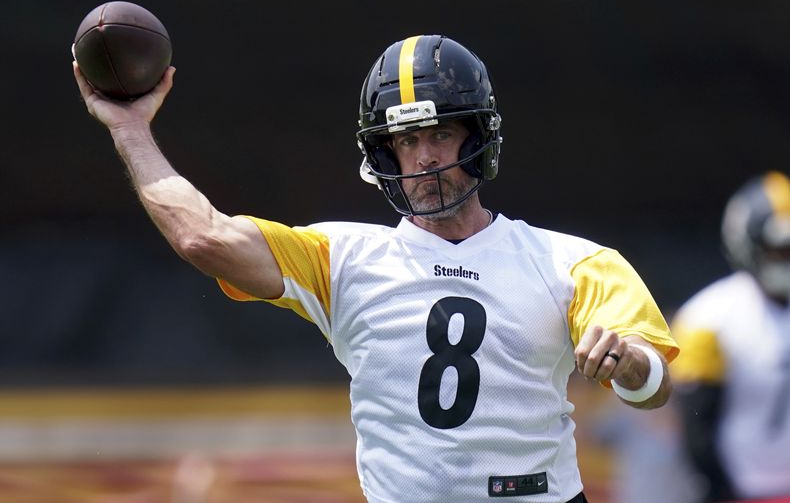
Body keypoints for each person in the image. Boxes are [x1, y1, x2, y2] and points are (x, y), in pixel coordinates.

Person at [73, 34, 679, 503]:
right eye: (405, 141)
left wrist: (627, 363)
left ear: (478, 136)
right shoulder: (342, 258)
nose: (423, 157)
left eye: (439, 133)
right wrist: (130, 129)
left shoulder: (574, 262)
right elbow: (202, 236)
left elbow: (653, 387)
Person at [671, 171, 790, 503]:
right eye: (780, 250)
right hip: (741, 491)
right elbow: (698, 433)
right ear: (749, 245)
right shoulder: (707, 319)